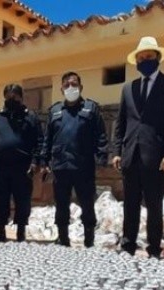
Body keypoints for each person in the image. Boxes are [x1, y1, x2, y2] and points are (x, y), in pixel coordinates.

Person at [112, 36, 164, 257]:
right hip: (130, 155)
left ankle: (154, 248)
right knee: (130, 203)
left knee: (154, 205)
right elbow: (121, 121)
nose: (145, 60)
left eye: (149, 56)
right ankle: (128, 244)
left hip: (156, 156)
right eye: (141, 58)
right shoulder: (128, 88)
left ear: (158, 58)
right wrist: (116, 152)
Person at [42, 71, 108, 247]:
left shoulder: (91, 108)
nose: (71, 87)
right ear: (61, 89)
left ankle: (89, 240)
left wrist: (102, 158)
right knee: (61, 205)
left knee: (87, 204)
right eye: (67, 85)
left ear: (81, 87)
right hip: (61, 166)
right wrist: (44, 161)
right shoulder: (55, 111)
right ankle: (63, 239)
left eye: (74, 84)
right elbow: (48, 139)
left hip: (83, 166)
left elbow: (101, 135)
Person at [0, 84, 43, 242]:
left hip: (23, 166)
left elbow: (39, 142)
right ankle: (0, 231)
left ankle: (20, 233)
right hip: (1, 166)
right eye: (8, 97)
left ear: (21, 97)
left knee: (22, 200)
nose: (11, 100)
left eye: (15, 97)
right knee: (0, 200)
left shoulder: (30, 117)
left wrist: (35, 162)